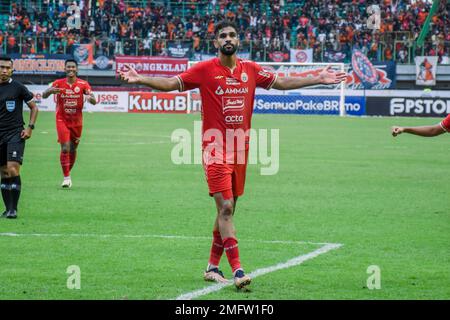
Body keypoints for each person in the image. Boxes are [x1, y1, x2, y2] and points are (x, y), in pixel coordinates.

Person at [119, 20, 346, 289]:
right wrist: (141, 78)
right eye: (223, 36)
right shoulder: (204, 70)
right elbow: (171, 83)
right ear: (216, 43)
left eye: (232, 35)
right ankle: (238, 271)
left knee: (229, 209)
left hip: (241, 148)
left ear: (238, 41)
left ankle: (212, 267)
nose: (228, 38)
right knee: (225, 208)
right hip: (214, 149)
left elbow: (283, 82)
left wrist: (317, 79)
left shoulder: (250, 70)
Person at [42, 59, 96, 188]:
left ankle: (67, 173)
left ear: (76, 69)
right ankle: (66, 177)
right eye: (68, 67)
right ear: (65, 69)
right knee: (65, 147)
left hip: (77, 122)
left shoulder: (84, 84)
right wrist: (50, 91)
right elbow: (44, 95)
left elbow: (94, 100)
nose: (71, 69)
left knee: (73, 149)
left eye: (73, 67)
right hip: (62, 120)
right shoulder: (58, 83)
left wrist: (90, 98)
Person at [0, 55, 39, 219]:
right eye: (1, 67)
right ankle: (7, 208)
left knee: (12, 169)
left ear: (12, 70)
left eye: (7, 68)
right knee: (3, 172)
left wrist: (30, 127)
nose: (4, 70)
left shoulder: (18, 87)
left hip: (15, 133)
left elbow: (34, 108)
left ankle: (13, 209)